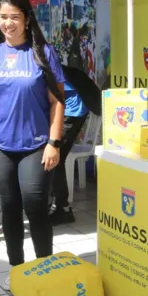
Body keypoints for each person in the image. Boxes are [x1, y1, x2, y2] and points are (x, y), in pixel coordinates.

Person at [0, 0, 66, 278]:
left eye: (15, 17)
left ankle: (45, 269)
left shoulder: (42, 53)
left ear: (26, 20)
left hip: (36, 145)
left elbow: (57, 101)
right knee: (9, 207)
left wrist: (54, 143)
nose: (8, 23)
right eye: (3, 17)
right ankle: (17, 271)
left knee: (35, 204)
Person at [48, 64, 100, 225]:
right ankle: (56, 205)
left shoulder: (50, 70)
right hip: (69, 112)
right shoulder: (53, 68)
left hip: (72, 113)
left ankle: (62, 208)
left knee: (54, 159)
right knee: (53, 159)